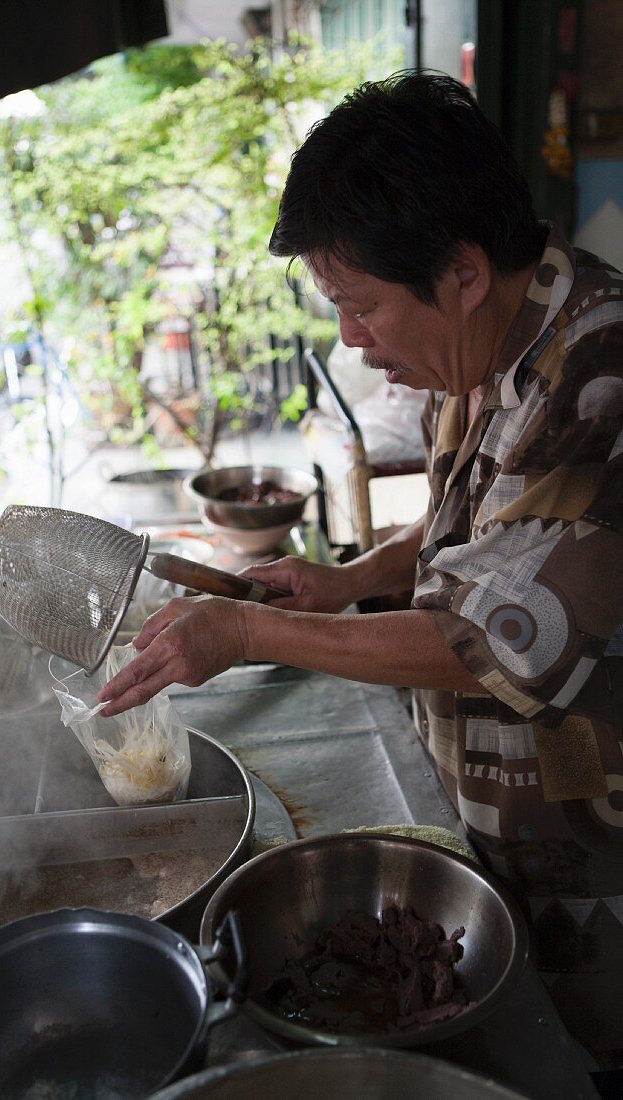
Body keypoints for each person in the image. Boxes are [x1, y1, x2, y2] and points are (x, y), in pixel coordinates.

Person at [100, 73, 623, 1052]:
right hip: (488, 821)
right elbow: (485, 526)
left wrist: (250, 627)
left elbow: (497, 639)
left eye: (359, 303)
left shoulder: (598, 372)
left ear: (461, 270)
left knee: (574, 1050)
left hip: (587, 862)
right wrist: (351, 579)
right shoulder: (494, 333)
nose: (351, 337)